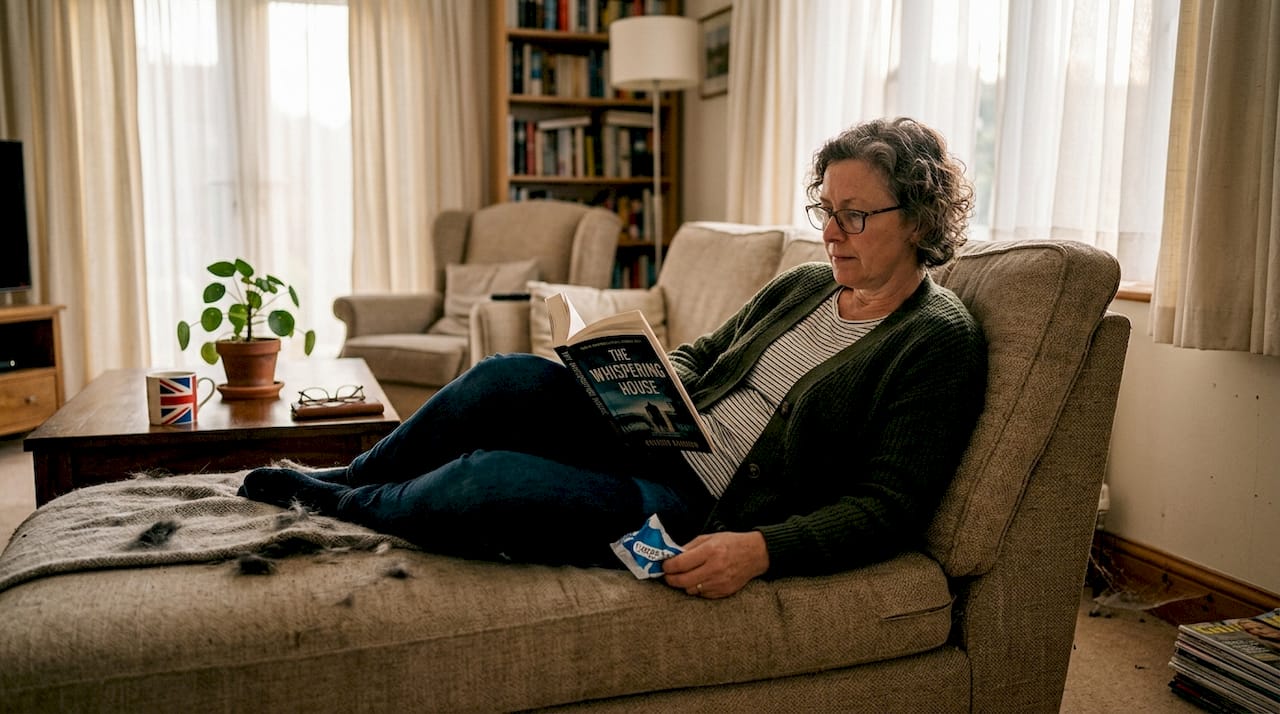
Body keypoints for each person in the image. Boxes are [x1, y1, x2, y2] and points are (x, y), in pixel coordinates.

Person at [238, 116, 988, 599]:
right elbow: (706, 353)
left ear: (919, 216)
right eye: (825, 209)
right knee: (506, 379)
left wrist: (761, 549)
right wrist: (651, 383)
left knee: (491, 482)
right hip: (659, 433)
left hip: (697, 508)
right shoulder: (802, 286)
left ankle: (342, 505)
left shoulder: (936, 340)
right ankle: (350, 474)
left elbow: (888, 507)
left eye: (854, 215)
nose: (831, 232)